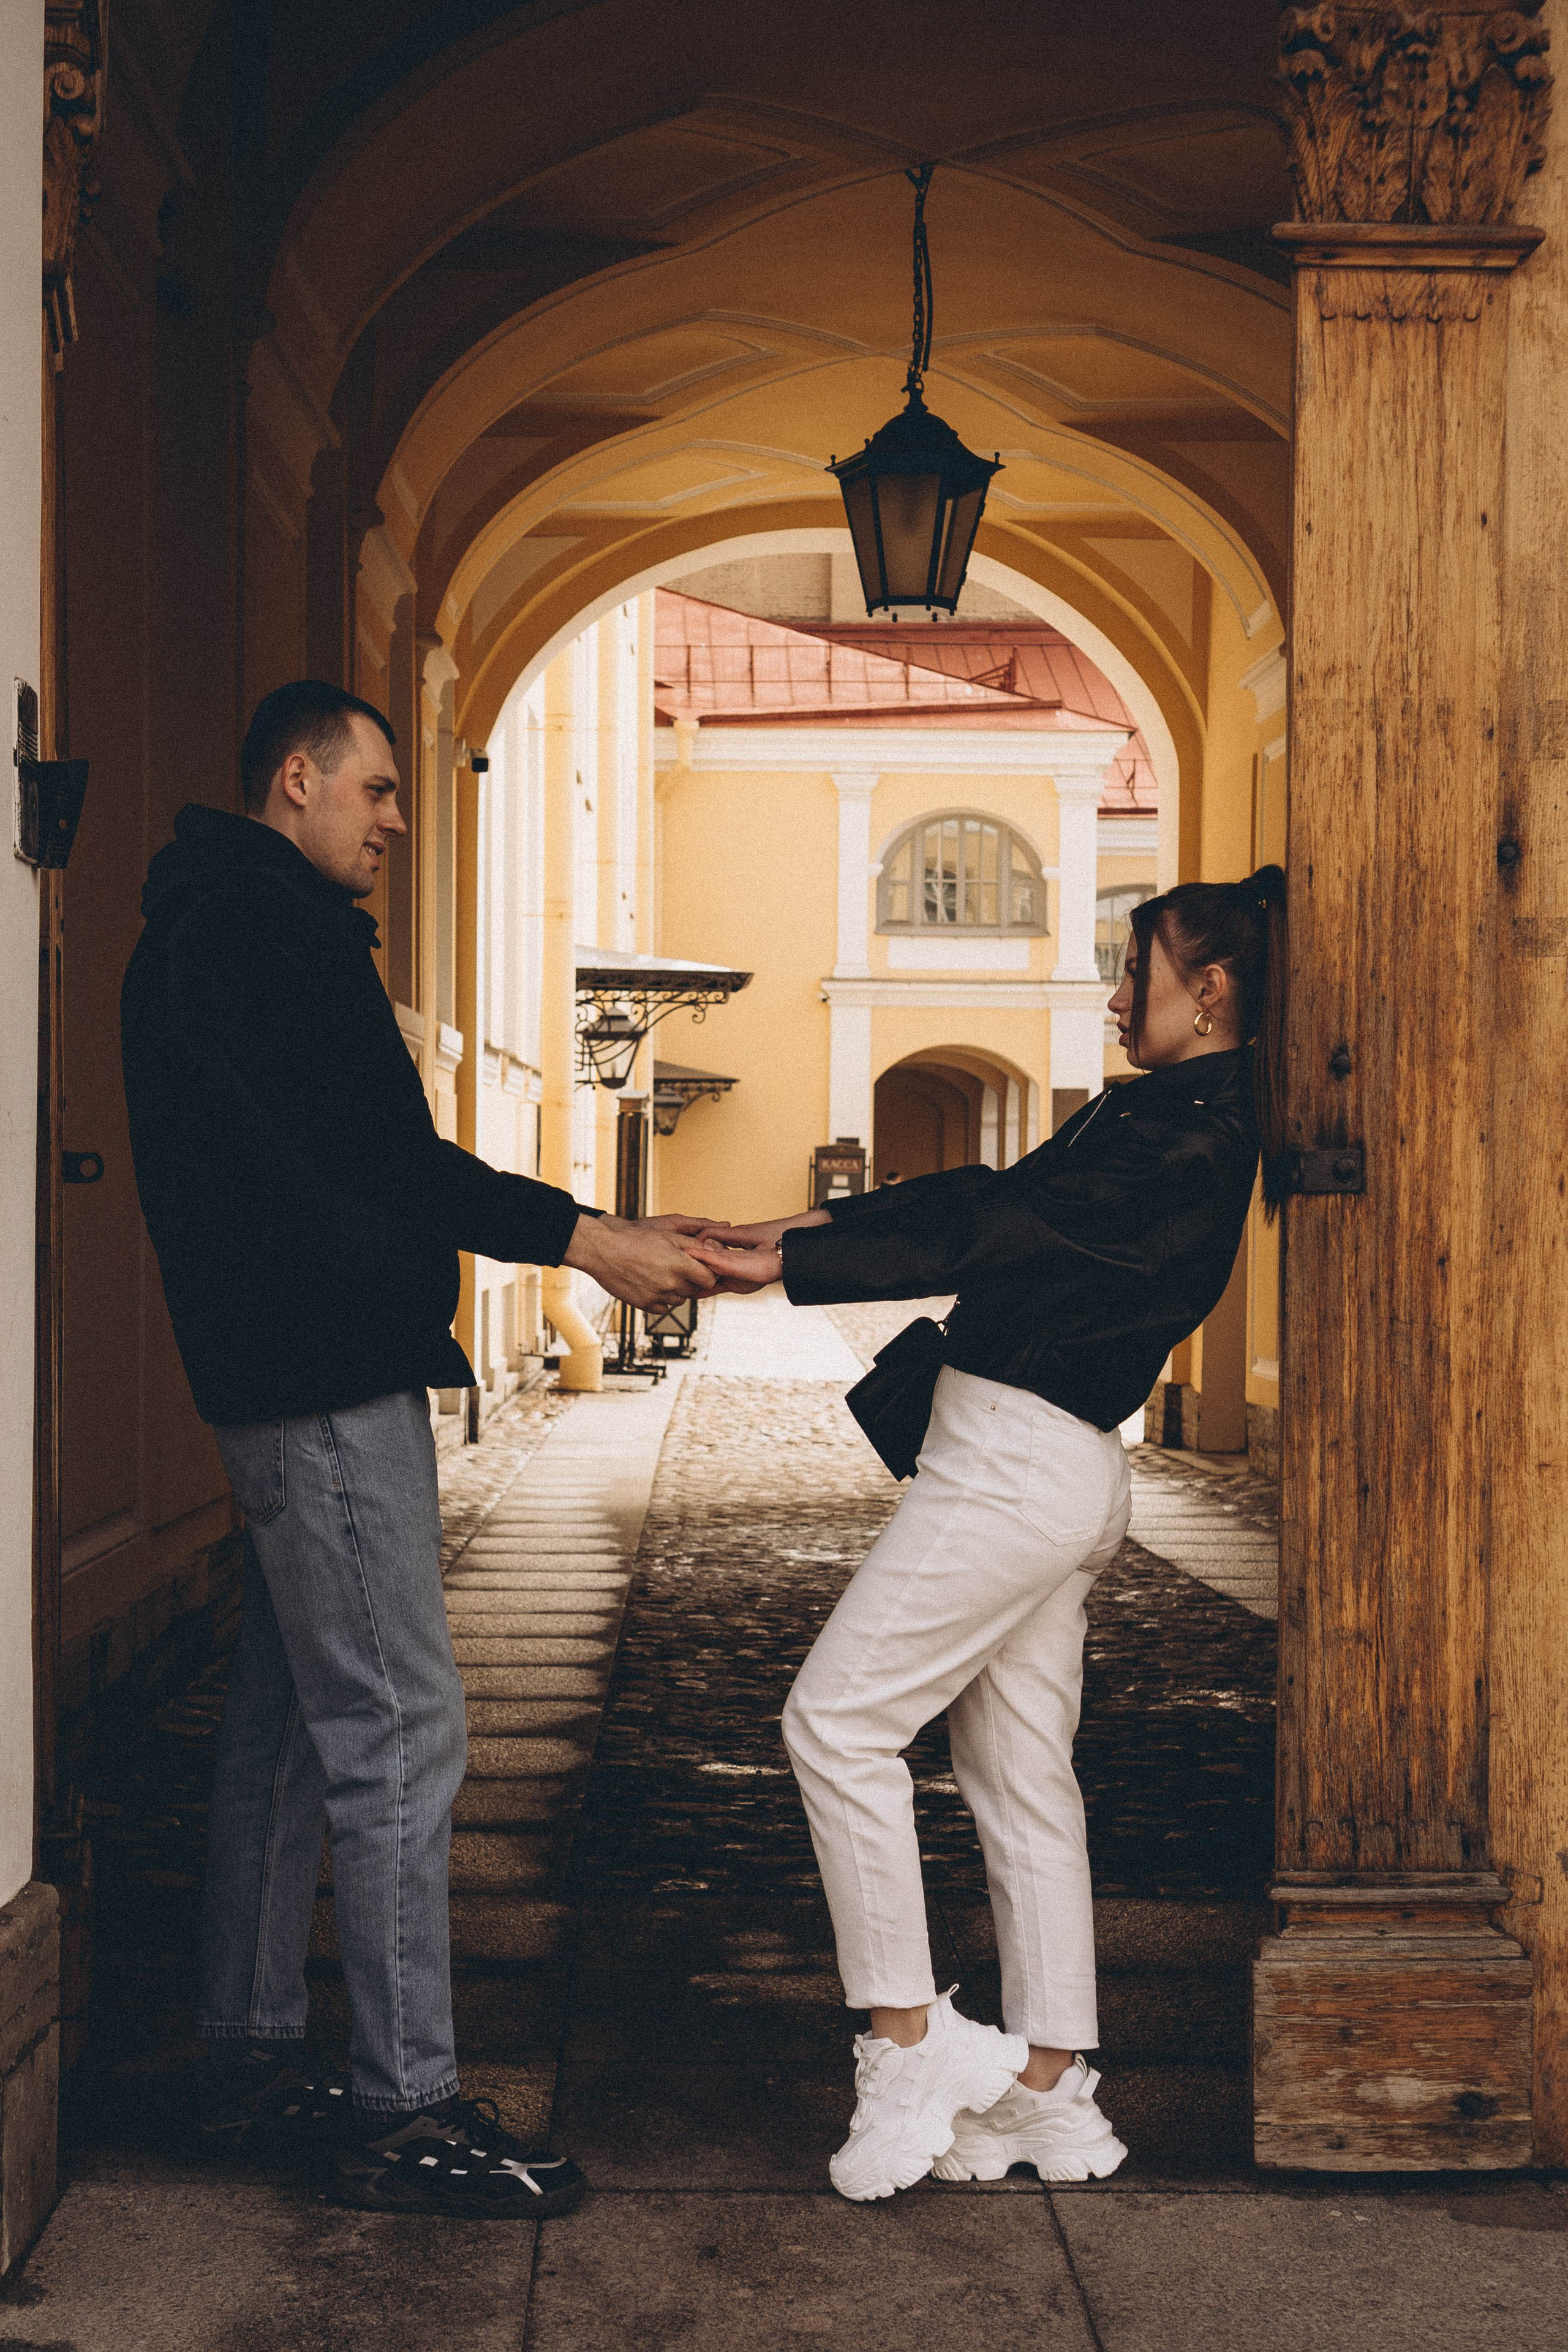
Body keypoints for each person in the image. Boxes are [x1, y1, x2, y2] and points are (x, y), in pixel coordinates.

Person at [121, 680, 716, 2219]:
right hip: (320, 1379)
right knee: (399, 1728)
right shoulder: (268, 931)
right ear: (296, 781)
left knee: (285, 1728)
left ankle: (251, 2063)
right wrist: (584, 1236)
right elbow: (385, 1158)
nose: (395, 821)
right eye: (377, 792)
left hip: (274, 1371)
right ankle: (403, 2107)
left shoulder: (212, 920)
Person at [688, 868, 1286, 2201]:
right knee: (1019, 1778)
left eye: (1136, 972)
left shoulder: (1185, 1138)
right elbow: (972, 1189)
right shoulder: (1166, 1119)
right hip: (1035, 1464)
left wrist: (779, 1263)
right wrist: (776, 1233)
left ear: (1212, 990)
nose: (1115, 993)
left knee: (834, 1722)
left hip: (1014, 1471)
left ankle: (904, 2046)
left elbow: (985, 1223)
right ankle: (1050, 2091)